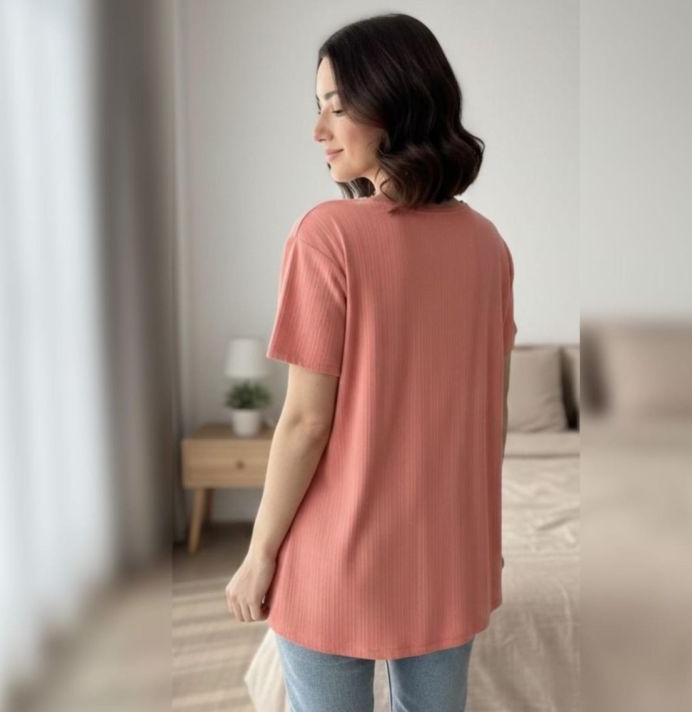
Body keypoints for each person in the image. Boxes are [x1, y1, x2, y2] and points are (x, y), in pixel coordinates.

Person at [225, 12, 517, 712]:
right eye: (318, 107)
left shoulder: (325, 235)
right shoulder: (488, 245)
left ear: (394, 104)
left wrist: (259, 554)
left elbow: (305, 423)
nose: (318, 130)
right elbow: (492, 419)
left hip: (335, 563)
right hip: (448, 563)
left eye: (336, 106)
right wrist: (484, 543)